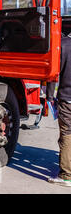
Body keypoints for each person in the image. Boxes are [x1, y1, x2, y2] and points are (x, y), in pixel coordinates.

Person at [47, 33, 71, 187]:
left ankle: (66, 175)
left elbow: (54, 73)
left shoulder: (63, 45)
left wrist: (49, 96)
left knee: (67, 134)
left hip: (67, 98)